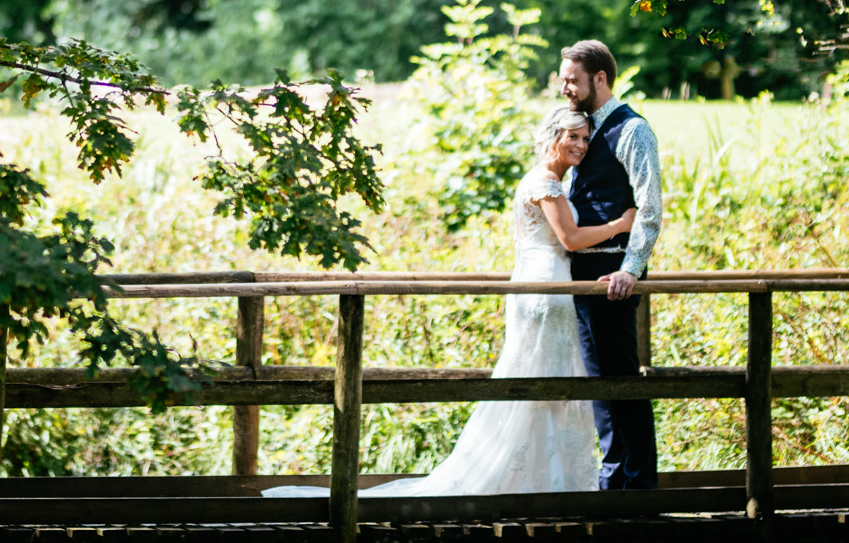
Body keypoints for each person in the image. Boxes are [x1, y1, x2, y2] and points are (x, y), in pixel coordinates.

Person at [266, 107, 635, 498]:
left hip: (545, 280)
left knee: (552, 378)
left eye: (584, 138)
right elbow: (570, 239)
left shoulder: (551, 180)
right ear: (553, 136)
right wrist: (620, 226)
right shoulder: (546, 181)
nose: (580, 145)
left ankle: (548, 479)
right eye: (572, 136)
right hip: (546, 288)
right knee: (543, 379)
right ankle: (535, 483)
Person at [557, 38, 663, 490]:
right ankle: (613, 477)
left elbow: (650, 206)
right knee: (599, 382)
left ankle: (637, 486)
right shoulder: (578, 127)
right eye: (562, 79)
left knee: (621, 379)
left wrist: (631, 269)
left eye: (572, 80)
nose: (564, 87)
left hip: (613, 273)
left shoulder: (633, 130)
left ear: (599, 79)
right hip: (580, 274)